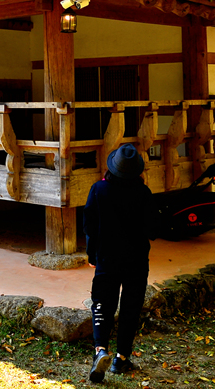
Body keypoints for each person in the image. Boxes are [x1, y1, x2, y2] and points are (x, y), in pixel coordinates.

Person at [84, 143, 158, 384]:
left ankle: (100, 350)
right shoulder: (144, 193)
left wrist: (92, 255)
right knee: (130, 307)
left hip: (107, 256)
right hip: (136, 259)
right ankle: (121, 357)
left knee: (102, 304)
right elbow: (152, 229)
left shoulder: (98, 190)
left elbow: (90, 226)